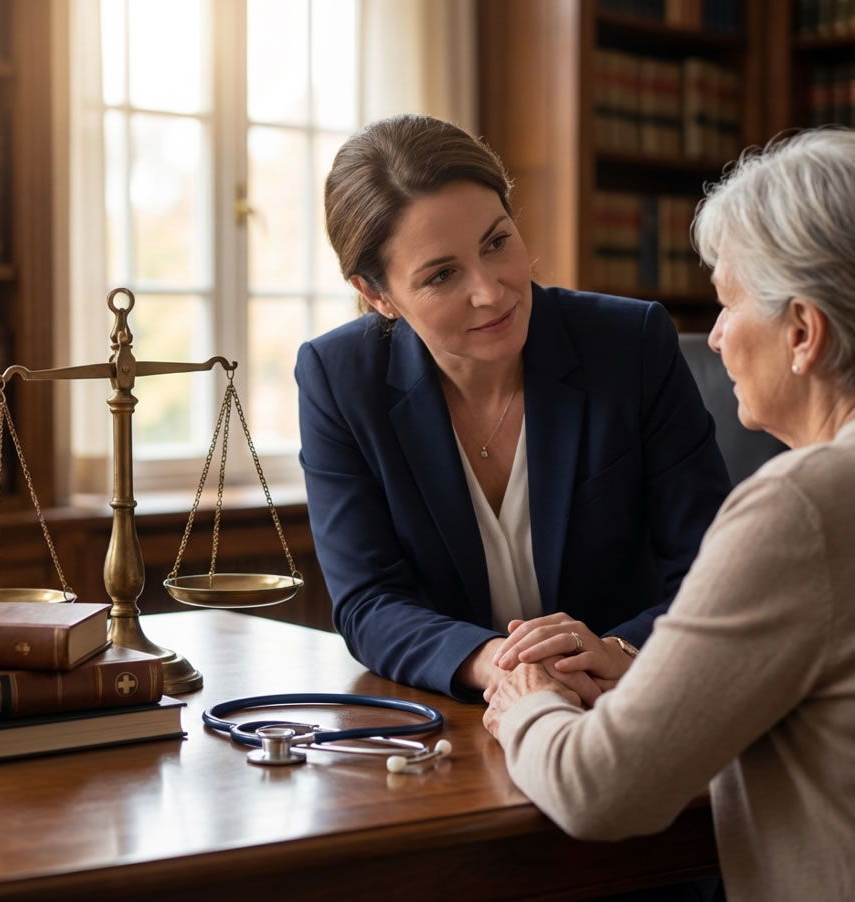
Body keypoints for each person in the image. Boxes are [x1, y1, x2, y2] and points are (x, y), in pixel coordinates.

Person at [483, 127, 855, 901]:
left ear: (802, 332)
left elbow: (599, 788)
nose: (714, 337)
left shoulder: (804, 506)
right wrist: (649, 671)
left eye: (725, 303)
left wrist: (531, 703)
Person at [295, 113, 730, 702]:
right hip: (457, 726)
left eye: (497, 242)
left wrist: (616, 652)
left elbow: (711, 570)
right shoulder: (339, 379)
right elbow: (368, 599)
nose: (492, 291)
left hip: (630, 708)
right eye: (442, 275)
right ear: (377, 295)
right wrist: (495, 662)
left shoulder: (630, 345)